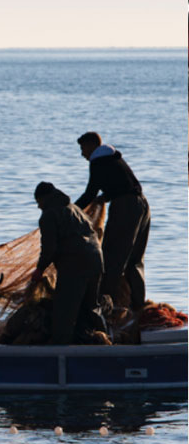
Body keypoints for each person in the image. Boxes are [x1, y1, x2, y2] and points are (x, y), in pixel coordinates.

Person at [73, 132, 150, 311]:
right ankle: (138, 306)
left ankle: (108, 306)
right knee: (135, 260)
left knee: (112, 256)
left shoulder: (98, 162)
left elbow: (89, 193)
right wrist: (105, 197)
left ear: (92, 145)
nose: (82, 154)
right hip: (142, 205)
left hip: (125, 208)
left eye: (83, 148)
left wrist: (71, 210)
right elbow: (121, 184)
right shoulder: (113, 159)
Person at [30, 182, 104, 344]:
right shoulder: (75, 209)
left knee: (64, 311)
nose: (38, 207)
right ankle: (104, 340)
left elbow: (49, 248)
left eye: (38, 202)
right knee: (91, 307)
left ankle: (60, 348)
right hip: (96, 260)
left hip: (75, 265)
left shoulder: (49, 215)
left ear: (44, 199)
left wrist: (39, 269)